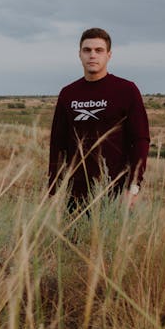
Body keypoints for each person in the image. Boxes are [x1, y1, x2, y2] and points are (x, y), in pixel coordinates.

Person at [48, 28, 150, 213]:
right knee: (74, 242)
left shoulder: (126, 90)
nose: (92, 55)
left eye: (99, 50)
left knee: (113, 242)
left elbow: (141, 140)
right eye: (87, 50)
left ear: (109, 55)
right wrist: (53, 189)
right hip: (75, 195)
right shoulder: (68, 93)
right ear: (79, 54)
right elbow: (57, 144)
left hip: (116, 193)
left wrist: (133, 187)